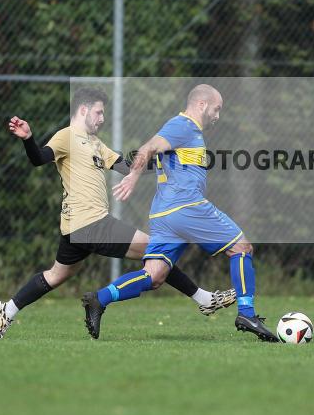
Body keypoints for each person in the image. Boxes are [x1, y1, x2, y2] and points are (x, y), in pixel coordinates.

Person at [0, 87, 235, 339]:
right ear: (83, 110)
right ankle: (203, 298)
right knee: (155, 250)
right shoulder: (66, 136)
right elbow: (39, 158)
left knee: (56, 275)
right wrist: (28, 138)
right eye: (98, 112)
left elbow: (127, 166)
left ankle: (7, 309)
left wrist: (173, 157)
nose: (102, 118)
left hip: (76, 227)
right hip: (89, 222)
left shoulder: (96, 143)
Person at [81, 84, 278, 342]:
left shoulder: (188, 132)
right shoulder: (183, 125)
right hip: (186, 206)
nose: (218, 116)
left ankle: (99, 299)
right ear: (202, 105)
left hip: (164, 214)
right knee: (241, 248)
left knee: (155, 275)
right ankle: (247, 313)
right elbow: (148, 147)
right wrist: (133, 177)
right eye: (216, 109)